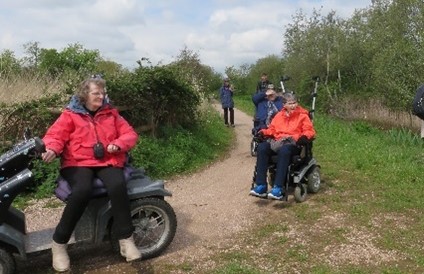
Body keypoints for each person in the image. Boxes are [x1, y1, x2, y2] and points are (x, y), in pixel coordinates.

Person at [41, 76, 142, 272]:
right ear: (84, 95)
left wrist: (118, 144)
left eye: (102, 93)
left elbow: (129, 134)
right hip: (77, 162)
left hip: (107, 159)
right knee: (82, 190)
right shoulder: (70, 115)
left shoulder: (111, 114)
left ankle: (126, 239)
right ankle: (59, 244)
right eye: (96, 93)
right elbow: (55, 135)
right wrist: (52, 149)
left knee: (117, 185)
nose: (101, 96)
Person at [250, 92, 316, 200]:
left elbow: (310, 131)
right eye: (290, 103)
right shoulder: (279, 116)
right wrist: (263, 133)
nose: (293, 105)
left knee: (284, 151)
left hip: (294, 143)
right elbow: (272, 129)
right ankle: (261, 186)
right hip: (278, 141)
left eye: (294, 103)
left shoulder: (303, 115)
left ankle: (278, 188)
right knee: (262, 148)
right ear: (284, 104)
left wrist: (304, 137)